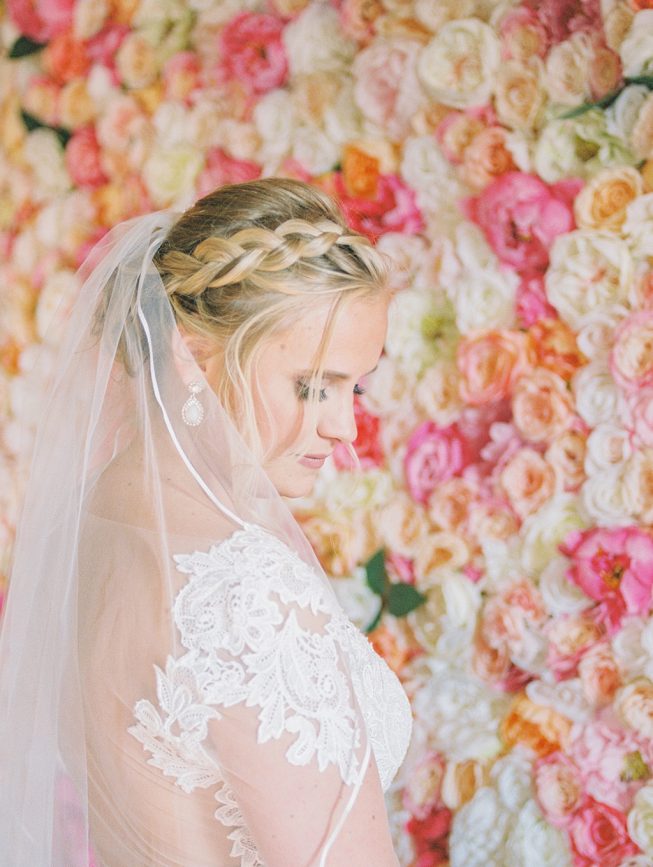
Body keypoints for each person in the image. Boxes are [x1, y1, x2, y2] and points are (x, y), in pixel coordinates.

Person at [0, 178, 412, 866]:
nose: (344, 426)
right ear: (191, 355)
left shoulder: (90, 516)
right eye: (312, 386)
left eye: (355, 385)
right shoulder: (245, 594)